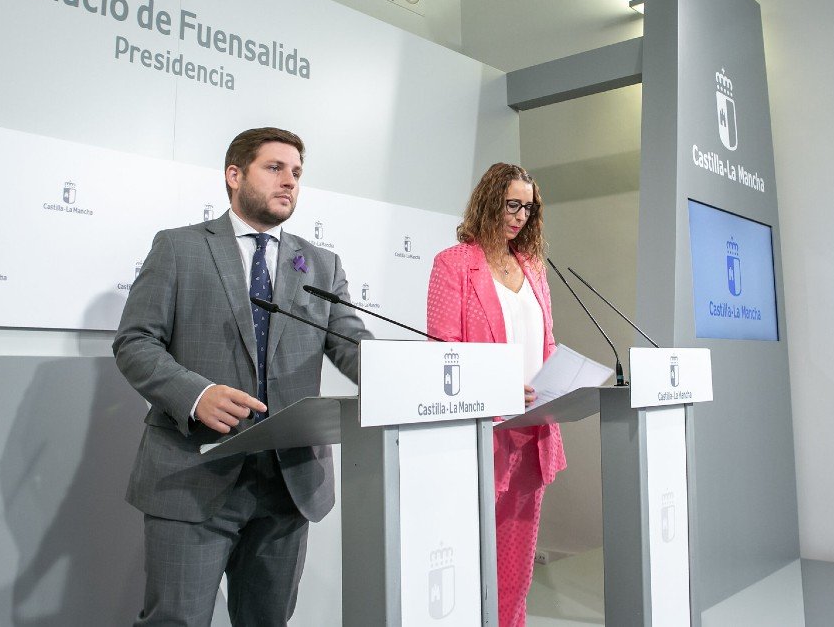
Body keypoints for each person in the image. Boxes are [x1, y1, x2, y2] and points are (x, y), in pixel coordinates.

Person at [113, 127, 371, 626]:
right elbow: (135, 342)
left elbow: (353, 347)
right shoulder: (179, 248)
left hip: (287, 483)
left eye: (296, 173)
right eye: (274, 168)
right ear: (234, 175)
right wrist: (196, 394)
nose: (289, 182)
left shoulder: (320, 263)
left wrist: (439, 379)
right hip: (193, 474)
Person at [425, 163, 565, 627]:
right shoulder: (454, 264)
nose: (521, 215)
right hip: (482, 433)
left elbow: (545, 345)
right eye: (512, 204)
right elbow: (443, 352)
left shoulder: (533, 268)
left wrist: (562, 381)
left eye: (529, 207)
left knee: (517, 571)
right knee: (470, 559)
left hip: (533, 431)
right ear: (489, 201)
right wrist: (496, 387)